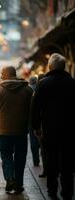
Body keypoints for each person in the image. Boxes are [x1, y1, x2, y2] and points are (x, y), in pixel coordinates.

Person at [31, 53, 75, 200]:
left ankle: (52, 191)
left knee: (51, 161)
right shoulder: (72, 83)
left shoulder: (43, 83)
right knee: (67, 162)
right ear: (63, 67)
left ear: (50, 66)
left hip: (49, 129)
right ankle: (67, 192)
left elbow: (35, 107)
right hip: (69, 130)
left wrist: (36, 127)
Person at [0, 66, 33, 193]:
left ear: (7, 74)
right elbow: (32, 110)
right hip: (21, 130)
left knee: (6, 155)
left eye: (2, 73)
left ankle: (10, 178)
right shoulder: (27, 89)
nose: (0, 76)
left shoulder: (0, 89)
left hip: (4, 130)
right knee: (20, 157)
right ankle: (19, 184)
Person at [28, 75, 40, 167]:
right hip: (41, 117)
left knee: (33, 140)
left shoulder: (27, 90)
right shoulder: (40, 88)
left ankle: (36, 160)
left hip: (30, 119)